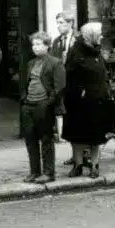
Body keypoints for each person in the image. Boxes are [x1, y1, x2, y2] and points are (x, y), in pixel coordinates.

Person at [62, 22, 115, 179]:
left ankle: (94, 165)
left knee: (95, 135)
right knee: (76, 134)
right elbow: (68, 75)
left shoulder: (96, 51)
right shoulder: (76, 52)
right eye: (99, 34)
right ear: (91, 35)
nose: (101, 36)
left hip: (97, 99)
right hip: (78, 100)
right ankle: (78, 165)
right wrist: (79, 91)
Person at [22, 32, 66, 183]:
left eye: (39, 44)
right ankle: (34, 171)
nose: (35, 47)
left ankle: (49, 173)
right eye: (33, 44)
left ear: (47, 46)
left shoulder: (55, 63)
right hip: (29, 104)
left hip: (43, 104)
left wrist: (48, 103)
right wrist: (24, 99)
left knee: (46, 139)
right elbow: (27, 83)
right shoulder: (30, 63)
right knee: (30, 139)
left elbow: (59, 87)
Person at [50, 12, 76, 145]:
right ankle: (62, 134)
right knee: (61, 108)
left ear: (70, 23)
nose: (59, 26)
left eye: (62, 23)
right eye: (58, 23)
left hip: (74, 80)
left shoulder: (78, 39)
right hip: (61, 80)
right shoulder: (56, 41)